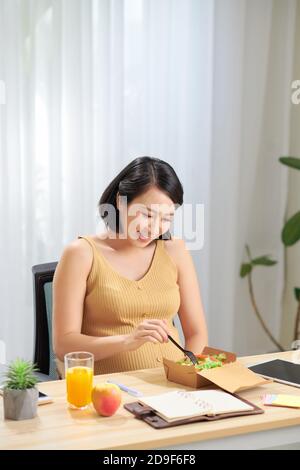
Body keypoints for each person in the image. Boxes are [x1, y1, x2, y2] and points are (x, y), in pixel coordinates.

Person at [52, 156, 208, 377]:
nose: (154, 228)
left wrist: (184, 376)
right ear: (121, 201)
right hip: (108, 395)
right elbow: (64, 345)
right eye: (147, 214)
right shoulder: (81, 254)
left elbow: (197, 334)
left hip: (173, 386)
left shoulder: (176, 250)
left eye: (167, 218)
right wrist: (127, 341)